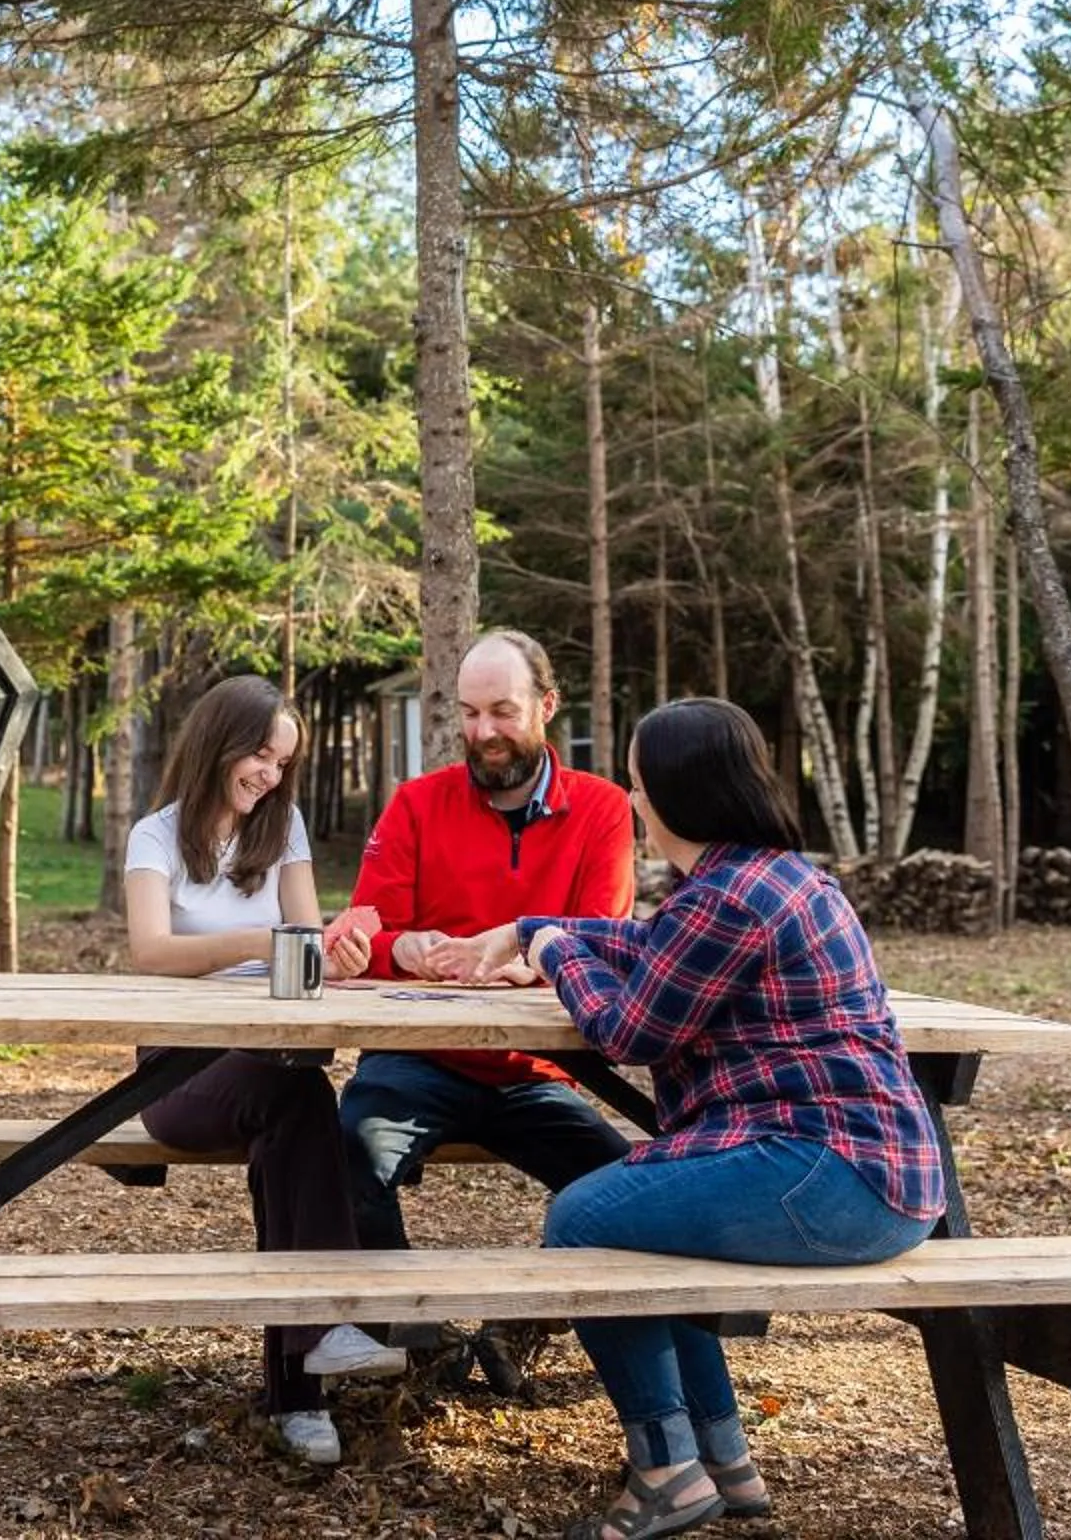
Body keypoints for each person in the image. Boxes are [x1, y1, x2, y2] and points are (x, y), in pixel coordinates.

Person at [436, 698, 945, 1539]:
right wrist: (531, 926)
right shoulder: (766, 878)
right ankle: (723, 1460)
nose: (632, 800)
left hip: (833, 1180)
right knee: (649, 1231)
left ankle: (667, 1473)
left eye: (638, 784)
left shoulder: (729, 899)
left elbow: (628, 1032)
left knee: (583, 1222)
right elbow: (652, 947)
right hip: (873, 1174)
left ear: (679, 793)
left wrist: (552, 952)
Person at [121, 673, 403, 1468]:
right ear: (220, 744)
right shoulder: (155, 836)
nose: (271, 777)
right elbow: (150, 952)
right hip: (176, 1072)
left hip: (273, 1059)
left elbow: (307, 946)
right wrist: (259, 945)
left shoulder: (284, 830)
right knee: (301, 1102)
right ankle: (318, 1349)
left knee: (293, 1115)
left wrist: (339, 956)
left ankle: (300, 1399)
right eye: (261, 758)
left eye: (283, 764)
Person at [337, 631, 640, 1264]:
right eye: (470, 713)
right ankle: (405, 1317)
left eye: (503, 711)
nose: (483, 732)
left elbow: (603, 942)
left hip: (537, 1069)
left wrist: (528, 963)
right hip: (415, 1058)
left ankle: (540, 1309)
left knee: (633, 1194)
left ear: (546, 705)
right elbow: (365, 935)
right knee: (346, 1156)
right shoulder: (415, 803)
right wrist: (404, 949)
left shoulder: (603, 808)